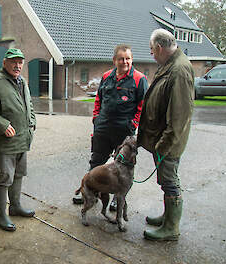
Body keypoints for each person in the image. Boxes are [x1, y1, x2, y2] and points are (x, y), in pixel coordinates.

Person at [72, 44, 148, 211]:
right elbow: (98, 99)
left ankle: (116, 199)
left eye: (128, 58)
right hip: (103, 127)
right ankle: (89, 193)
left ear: (132, 59)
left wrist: (134, 124)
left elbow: (143, 105)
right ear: (114, 60)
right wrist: (96, 118)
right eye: (121, 59)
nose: (125, 62)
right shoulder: (107, 76)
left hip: (124, 130)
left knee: (121, 167)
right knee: (96, 161)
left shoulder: (139, 78)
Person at [137, 28, 194, 241]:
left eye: (152, 51)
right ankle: (167, 216)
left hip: (168, 143)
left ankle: (171, 228)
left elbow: (179, 116)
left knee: (170, 181)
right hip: (162, 140)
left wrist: (163, 145)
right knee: (165, 180)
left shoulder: (179, 70)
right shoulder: (170, 66)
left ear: (159, 48)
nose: (152, 55)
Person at [0, 48, 36, 232]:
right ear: (4, 63)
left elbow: (29, 104)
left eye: (20, 62)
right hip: (6, 141)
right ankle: (1, 216)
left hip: (23, 138)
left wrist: (32, 122)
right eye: (13, 62)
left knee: (18, 174)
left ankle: (15, 206)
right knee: (5, 178)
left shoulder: (22, 81)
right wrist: (2, 125)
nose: (17, 65)